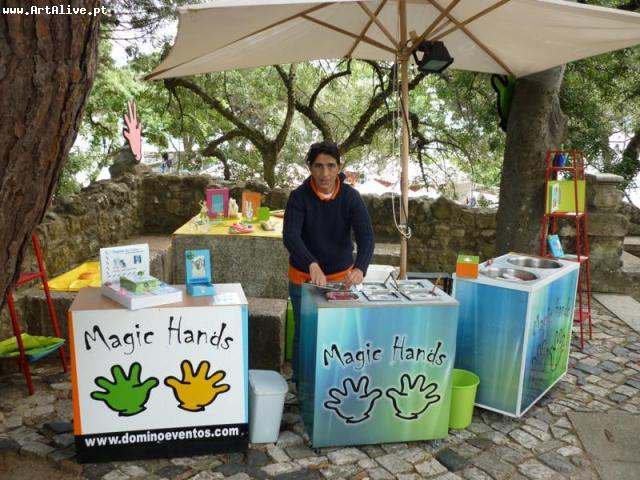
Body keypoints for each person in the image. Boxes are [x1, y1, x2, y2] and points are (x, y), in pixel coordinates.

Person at [283, 141, 375, 385]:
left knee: (339, 333)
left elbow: (366, 236)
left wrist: (360, 267)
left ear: (339, 168)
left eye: (331, 166)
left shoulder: (351, 197)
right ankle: (300, 385)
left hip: (340, 281)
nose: (325, 173)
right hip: (303, 278)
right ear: (310, 168)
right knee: (305, 331)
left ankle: (336, 384)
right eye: (318, 166)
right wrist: (311, 263)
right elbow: (290, 236)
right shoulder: (299, 197)